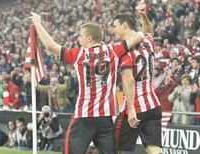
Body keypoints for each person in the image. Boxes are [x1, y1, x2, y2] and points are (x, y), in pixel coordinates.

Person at [30, 11, 143, 154]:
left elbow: (50, 46)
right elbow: (138, 36)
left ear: (89, 38)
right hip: (105, 118)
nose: (78, 39)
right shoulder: (113, 50)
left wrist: (38, 24)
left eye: (80, 35)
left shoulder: (79, 54)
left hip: (83, 117)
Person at [112, 5, 162, 154]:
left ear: (124, 25)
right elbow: (149, 31)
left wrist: (131, 110)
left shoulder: (125, 51)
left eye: (115, 26)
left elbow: (128, 81)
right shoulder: (147, 42)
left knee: (120, 149)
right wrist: (144, 16)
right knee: (154, 150)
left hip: (134, 108)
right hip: (153, 105)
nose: (113, 30)